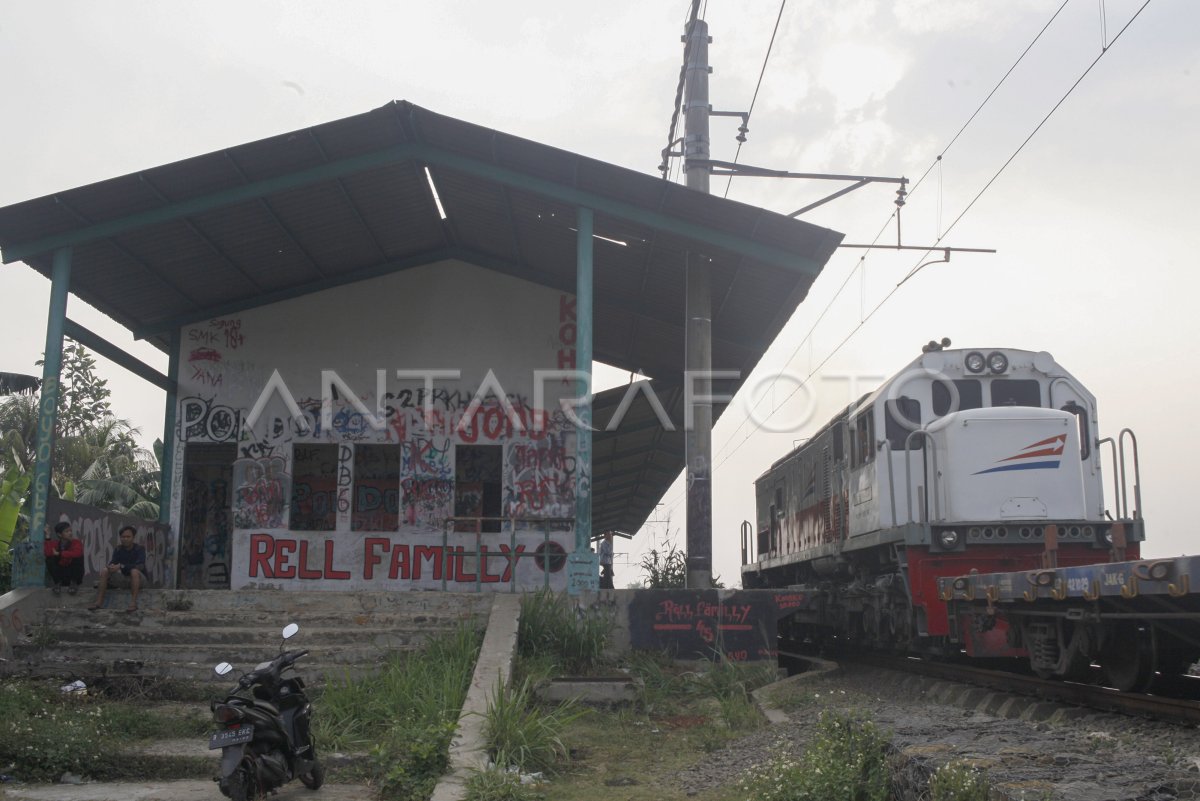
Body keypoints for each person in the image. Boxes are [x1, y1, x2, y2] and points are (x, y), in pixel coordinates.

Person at [88, 525, 147, 612]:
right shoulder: (118, 549)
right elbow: (113, 562)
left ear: (133, 537)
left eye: (128, 537)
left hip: (139, 579)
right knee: (105, 571)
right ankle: (98, 602)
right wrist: (110, 567)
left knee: (134, 571)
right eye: (123, 537)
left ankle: (133, 603)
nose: (125, 539)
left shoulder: (140, 549)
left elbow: (140, 566)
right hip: (124, 579)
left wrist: (121, 566)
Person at [43, 521, 84, 595]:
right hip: (62, 574)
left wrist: (60, 554)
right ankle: (57, 583)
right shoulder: (56, 543)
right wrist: (48, 536)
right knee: (49, 559)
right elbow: (48, 553)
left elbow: (77, 553)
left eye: (70, 531)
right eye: (66, 531)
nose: (70, 533)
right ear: (59, 534)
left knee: (77, 558)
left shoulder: (76, 542)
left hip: (73, 574)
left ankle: (73, 583)